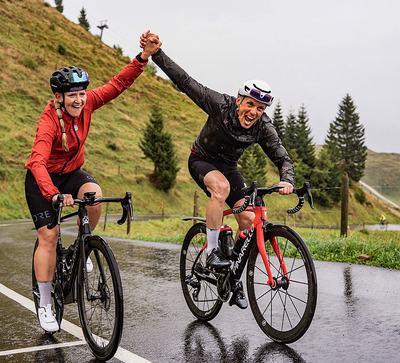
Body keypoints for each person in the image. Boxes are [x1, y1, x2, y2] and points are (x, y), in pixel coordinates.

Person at [140, 33, 294, 309]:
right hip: (202, 160)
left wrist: (287, 179)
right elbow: (185, 82)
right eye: (250, 104)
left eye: (260, 108)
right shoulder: (219, 105)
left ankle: (230, 274)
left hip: (229, 167)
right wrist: (156, 54)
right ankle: (212, 251)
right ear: (239, 100)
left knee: (248, 220)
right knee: (220, 189)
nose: (254, 112)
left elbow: (282, 157)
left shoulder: (263, 127)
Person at [25, 31, 162, 332]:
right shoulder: (49, 120)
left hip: (72, 172)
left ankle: (83, 246)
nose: (78, 99)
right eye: (72, 94)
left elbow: (117, 85)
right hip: (43, 179)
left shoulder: (87, 105)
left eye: (81, 93)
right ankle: (46, 301)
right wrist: (54, 195)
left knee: (95, 196)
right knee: (49, 236)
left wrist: (142, 58)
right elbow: (36, 161)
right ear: (59, 97)